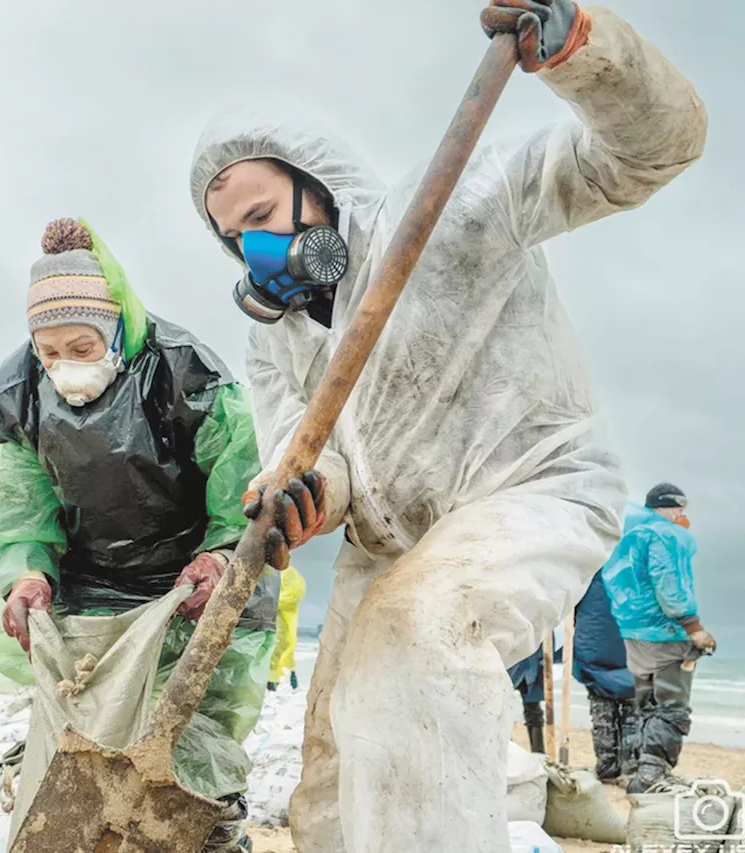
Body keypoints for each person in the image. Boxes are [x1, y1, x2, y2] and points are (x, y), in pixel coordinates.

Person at [187, 4, 705, 850]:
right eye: (232, 235)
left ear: (316, 185)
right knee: (332, 776)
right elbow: (304, 450)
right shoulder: (274, 336)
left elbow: (652, 150)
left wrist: (580, 48)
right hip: (389, 542)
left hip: (533, 485)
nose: (252, 248)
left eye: (262, 215)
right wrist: (304, 494)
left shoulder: (453, 209)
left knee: (419, 649)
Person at [0, 218, 273, 852]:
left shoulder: (178, 373)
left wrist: (220, 557)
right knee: (88, 738)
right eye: (48, 353)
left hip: (188, 585)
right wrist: (27, 572)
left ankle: (214, 832)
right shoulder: (22, 396)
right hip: (89, 590)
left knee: (191, 742)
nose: (63, 367)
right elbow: (16, 508)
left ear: (116, 329)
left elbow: (240, 478)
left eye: (81, 348)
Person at [600, 483, 711, 793]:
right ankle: (651, 776)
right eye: (680, 508)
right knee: (671, 705)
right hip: (666, 632)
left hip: (633, 632)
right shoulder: (668, 535)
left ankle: (639, 769)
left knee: (646, 702)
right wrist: (693, 626)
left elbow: (618, 582)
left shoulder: (628, 536)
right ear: (672, 506)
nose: (682, 514)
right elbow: (669, 584)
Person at [574, 569, 637, 782]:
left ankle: (607, 765)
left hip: (594, 642)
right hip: (629, 640)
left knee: (601, 705)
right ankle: (630, 766)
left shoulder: (589, 567)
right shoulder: (635, 564)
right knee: (632, 706)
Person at [269, 565, 306, 691]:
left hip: (281, 619)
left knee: (281, 647)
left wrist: (271, 602)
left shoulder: (288, 573)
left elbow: (295, 593)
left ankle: (282, 683)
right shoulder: (265, 572)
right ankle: (273, 683)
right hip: (267, 620)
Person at [507, 648, 547, 754]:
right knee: (502, 708)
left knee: (533, 708)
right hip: (513, 661)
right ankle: (505, 749)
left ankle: (538, 753)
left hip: (532, 662)